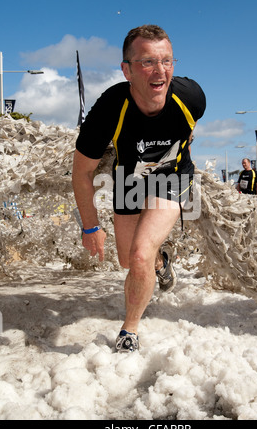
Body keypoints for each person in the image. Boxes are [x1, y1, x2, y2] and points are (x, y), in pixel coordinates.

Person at [72, 24, 206, 353]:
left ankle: (129, 329)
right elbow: (81, 172)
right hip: (129, 180)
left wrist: (185, 142)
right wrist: (90, 226)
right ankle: (162, 263)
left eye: (167, 60)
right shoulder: (109, 109)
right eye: (147, 62)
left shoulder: (191, 97)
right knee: (127, 261)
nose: (160, 71)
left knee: (139, 254)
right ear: (127, 70)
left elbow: (191, 125)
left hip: (172, 179)